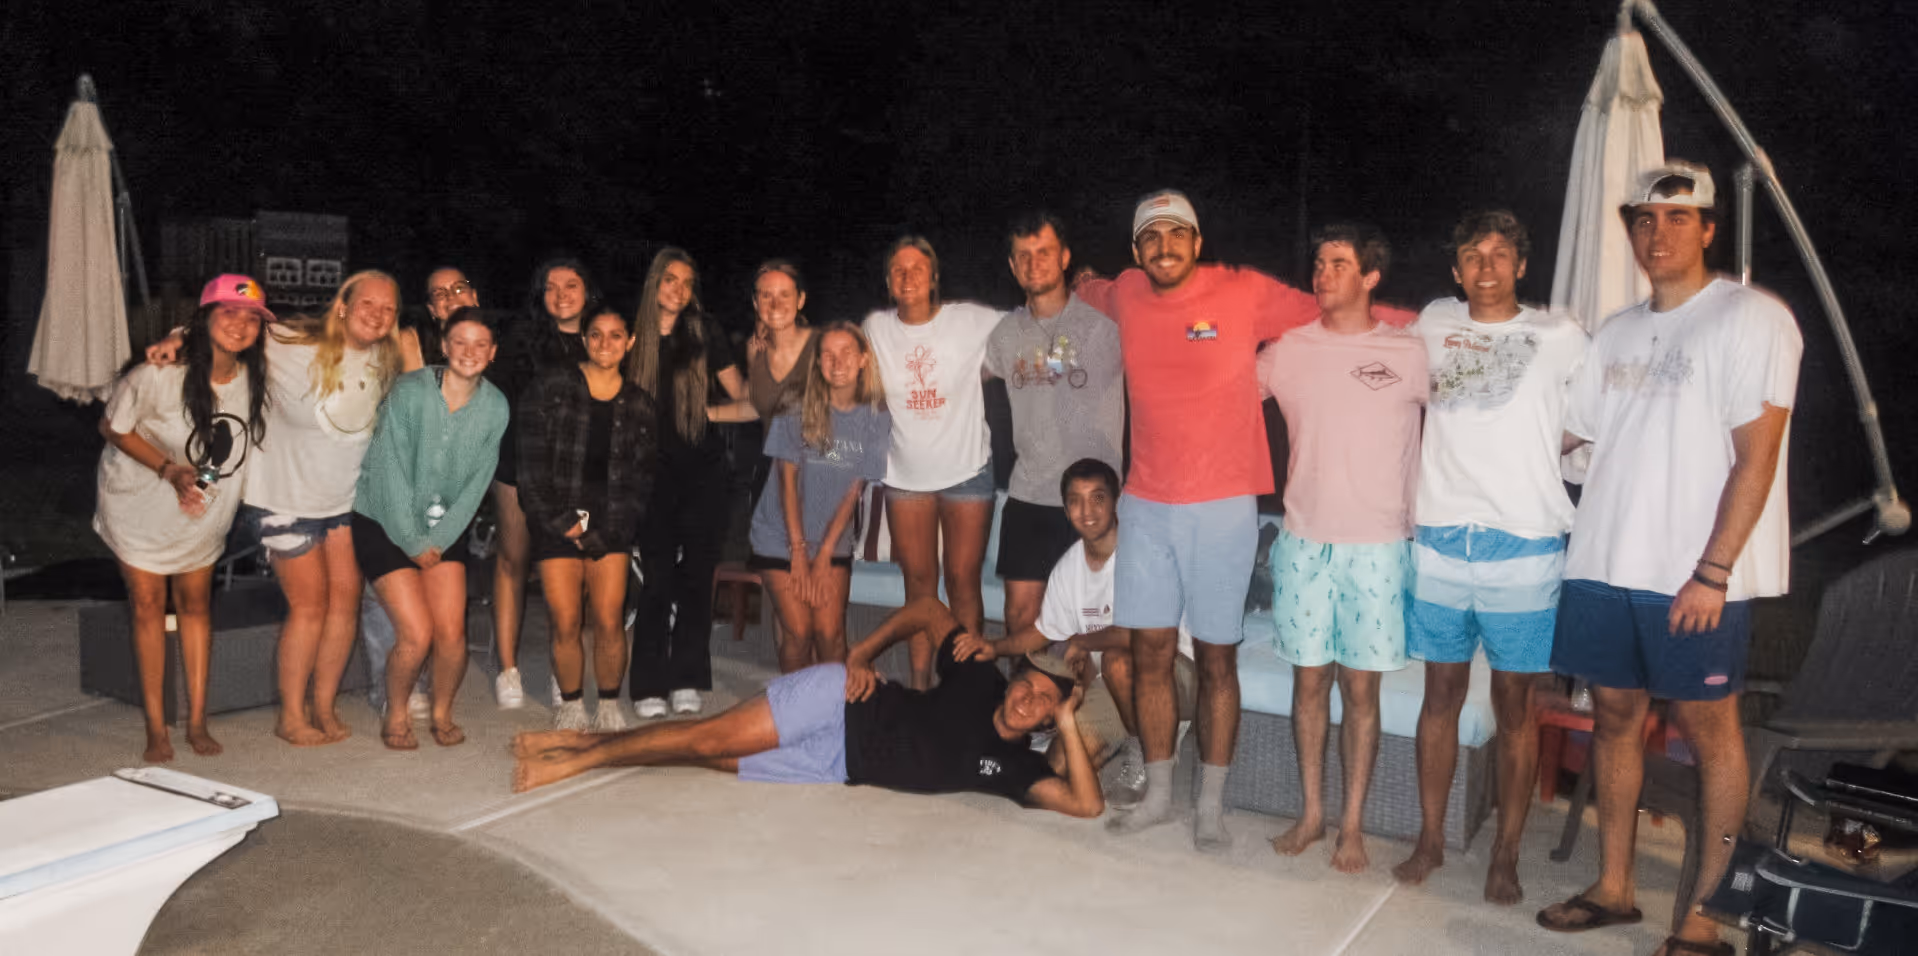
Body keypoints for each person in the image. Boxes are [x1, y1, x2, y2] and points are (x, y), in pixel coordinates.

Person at [1074, 191, 1414, 852]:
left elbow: (1338, 307)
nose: (1163, 247)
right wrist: (1071, 282)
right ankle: (1162, 793)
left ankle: (1210, 804)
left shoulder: (1243, 292)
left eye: (1176, 235)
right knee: (1147, 653)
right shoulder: (1126, 293)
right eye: (1150, 239)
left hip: (1224, 506)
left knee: (1217, 657)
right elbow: (1087, 289)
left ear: (1197, 242)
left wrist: (1439, 325)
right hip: (1144, 504)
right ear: (1136, 251)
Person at [1537, 162, 1800, 956]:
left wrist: (1714, 571)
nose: (1659, 234)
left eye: (1679, 218)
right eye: (1645, 220)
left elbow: (1758, 456)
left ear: (1709, 227)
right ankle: (1616, 887)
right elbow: (1570, 436)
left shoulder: (1752, 319)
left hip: (1695, 579)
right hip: (1606, 563)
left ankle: (1706, 919)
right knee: (1613, 720)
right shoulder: (1616, 330)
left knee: (1711, 733)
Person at [1392, 210, 1588, 903]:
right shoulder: (1433, 322)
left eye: (1500, 254)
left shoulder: (1560, 336)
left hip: (1524, 546)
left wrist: (1540, 453)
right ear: (1455, 269)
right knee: (1438, 697)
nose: (1486, 266)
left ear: (1521, 266)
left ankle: (1506, 853)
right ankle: (1431, 838)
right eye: (1472, 254)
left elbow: (1596, 413)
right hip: (1442, 539)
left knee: (1513, 706)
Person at [509, 595, 1105, 822]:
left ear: (1052, 718)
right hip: (839, 705)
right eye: (1027, 684)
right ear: (1011, 681)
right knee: (708, 739)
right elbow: (927, 607)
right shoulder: (979, 678)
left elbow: (1084, 803)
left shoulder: (1021, 770)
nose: (1029, 698)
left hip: (834, 766)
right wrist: (859, 654)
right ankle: (574, 761)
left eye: (1046, 702)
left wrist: (1074, 718)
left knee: (705, 754)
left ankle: (585, 744)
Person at [1258, 224, 1428, 873]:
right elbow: (1218, 395)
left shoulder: (1409, 351)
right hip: (1304, 541)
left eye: (1338, 263)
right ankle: (1311, 814)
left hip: (1379, 547)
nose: (1322, 273)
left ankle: (1352, 825)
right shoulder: (1289, 349)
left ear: (1371, 277)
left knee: (1362, 693)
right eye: (1319, 261)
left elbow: (1473, 416)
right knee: (1309, 686)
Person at [950, 458, 1199, 806]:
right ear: (1066, 510)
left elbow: (1144, 636)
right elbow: (1042, 632)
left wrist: (1084, 640)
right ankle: (1136, 733)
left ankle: (1149, 751)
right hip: (1111, 685)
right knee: (1057, 768)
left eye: (1097, 498)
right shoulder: (1069, 568)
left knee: (1117, 661)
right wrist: (995, 647)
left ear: (1117, 502)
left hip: (1173, 672)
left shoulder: (1145, 554)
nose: (1087, 511)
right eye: (1075, 501)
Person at [97, 274, 270, 763]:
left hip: (202, 508)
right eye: (229, 312)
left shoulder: (255, 377)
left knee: (196, 605)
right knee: (149, 606)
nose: (240, 324)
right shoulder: (158, 372)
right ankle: (156, 726)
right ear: (206, 317)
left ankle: (196, 720)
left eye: (252, 317)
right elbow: (111, 425)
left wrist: (199, 486)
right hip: (139, 503)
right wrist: (169, 469)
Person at [353, 307, 508, 749]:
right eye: (460, 341)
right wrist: (413, 542)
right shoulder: (410, 392)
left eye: (481, 344)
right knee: (416, 634)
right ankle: (396, 711)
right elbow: (389, 472)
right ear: (443, 346)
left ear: (493, 352)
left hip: (443, 528)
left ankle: (442, 711)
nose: (469, 352)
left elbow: (478, 481)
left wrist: (439, 541)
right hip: (383, 520)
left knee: (452, 633)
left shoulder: (495, 406)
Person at [862, 236, 1004, 690]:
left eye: (918, 268)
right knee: (919, 586)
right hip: (905, 477)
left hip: (967, 470)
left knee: (963, 582)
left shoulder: (970, 320)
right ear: (888, 282)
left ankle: (968, 686)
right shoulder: (876, 327)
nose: (908, 277)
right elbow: (840, 361)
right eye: (898, 270)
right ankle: (921, 684)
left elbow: (1033, 326)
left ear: (934, 278)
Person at [983, 213, 1124, 644]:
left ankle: (1083, 709)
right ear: (1011, 266)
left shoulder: (1107, 322)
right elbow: (958, 380)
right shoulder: (1005, 334)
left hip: (1094, 499)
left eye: (1044, 252)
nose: (1033, 262)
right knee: (1020, 615)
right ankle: (1028, 708)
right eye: (1023, 256)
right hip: (1030, 492)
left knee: (1094, 624)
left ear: (1064, 257)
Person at [518, 309, 660, 733]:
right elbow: (530, 467)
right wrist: (564, 523)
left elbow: (642, 481)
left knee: (609, 618)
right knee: (565, 620)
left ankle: (610, 703)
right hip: (556, 519)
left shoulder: (639, 403)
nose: (605, 343)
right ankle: (572, 702)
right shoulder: (550, 388)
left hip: (612, 523)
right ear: (583, 338)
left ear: (630, 341)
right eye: (596, 334)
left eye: (616, 336)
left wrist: (610, 530)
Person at [627, 248, 748, 719]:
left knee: (697, 580)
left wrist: (710, 413)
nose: (678, 290)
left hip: (704, 475)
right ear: (653, 283)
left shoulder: (705, 332)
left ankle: (687, 679)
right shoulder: (632, 337)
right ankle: (649, 685)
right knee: (656, 581)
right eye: (669, 280)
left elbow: (750, 400)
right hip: (650, 477)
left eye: (687, 282)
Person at [361, 264, 482, 720]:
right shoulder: (404, 342)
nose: (451, 297)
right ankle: (384, 685)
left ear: (474, 294)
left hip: (449, 497)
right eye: (440, 293)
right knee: (387, 596)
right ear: (431, 307)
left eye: (459, 287)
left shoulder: (486, 349)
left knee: (440, 600)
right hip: (392, 490)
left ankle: (427, 681)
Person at [486, 259, 602, 710]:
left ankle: (563, 670)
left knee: (571, 572)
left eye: (571, 285)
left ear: (587, 291)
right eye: (551, 287)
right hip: (520, 466)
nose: (561, 294)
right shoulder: (520, 338)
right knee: (513, 562)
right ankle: (508, 669)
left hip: (576, 475)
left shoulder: (603, 338)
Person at [746, 321, 891, 672]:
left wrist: (824, 553)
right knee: (798, 631)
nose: (836, 362)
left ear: (862, 359)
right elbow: (786, 482)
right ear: (817, 362)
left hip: (831, 538)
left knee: (829, 633)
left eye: (846, 353)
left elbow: (855, 489)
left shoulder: (876, 415)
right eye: (827, 354)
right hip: (779, 535)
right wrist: (799, 552)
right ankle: (794, 713)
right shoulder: (796, 404)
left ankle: (835, 712)